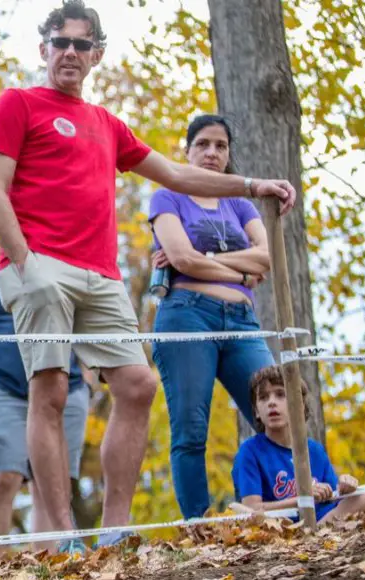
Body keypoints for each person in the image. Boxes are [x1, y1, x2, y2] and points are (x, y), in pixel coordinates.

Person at [0, 0, 297, 554]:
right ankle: (58, 535)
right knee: (50, 390)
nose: (70, 53)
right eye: (60, 42)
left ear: (96, 54)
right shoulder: (18, 104)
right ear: (43, 49)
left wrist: (252, 186)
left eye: (81, 44)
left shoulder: (107, 124)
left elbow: (175, 172)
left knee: (138, 384)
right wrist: (26, 265)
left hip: (100, 274)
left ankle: (115, 529)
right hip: (39, 265)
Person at [149, 114, 276, 519]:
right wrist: (241, 271)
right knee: (190, 430)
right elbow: (181, 257)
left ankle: (275, 514)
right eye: (203, 144)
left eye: (221, 146)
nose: (212, 153)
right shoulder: (167, 196)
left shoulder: (239, 203)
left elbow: (267, 257)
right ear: (186, 151)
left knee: (277, 415)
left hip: (242, 322)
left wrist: (205, 259)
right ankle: (199, 526)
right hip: (187, 316)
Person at [0, 268, 89, 560]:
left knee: (51, 485)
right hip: (2, 391)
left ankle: (48, 568)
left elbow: (88, 335)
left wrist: (87, 382)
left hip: (66, 390)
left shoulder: (68, 276)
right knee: (5, 478)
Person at [232, 366, 365, 522]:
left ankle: (317, 533)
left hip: (322, 518)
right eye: (263, 397)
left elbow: (334, 498)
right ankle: (312, 536)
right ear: (256, 411)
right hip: (278, 527)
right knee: (236, 509)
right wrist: (303, 499)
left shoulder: (314, 451)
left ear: (299, 405)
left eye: (281, 394)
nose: (271, 402)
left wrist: (346, 486)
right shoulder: (250, 451)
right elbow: (252, 508)